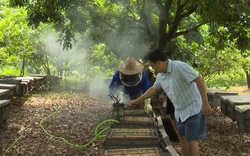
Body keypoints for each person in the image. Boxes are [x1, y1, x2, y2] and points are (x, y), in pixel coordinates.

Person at [130, 49, 211, 156]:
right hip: (180, 111)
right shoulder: (161, 75)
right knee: (183, 138)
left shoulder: (179, 67)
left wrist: (205, 103)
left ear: (158, 62)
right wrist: (137, 100)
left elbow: (199, 80)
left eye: (152, 65)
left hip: (193, 107)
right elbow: (153, 89)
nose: (152, 68)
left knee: (192, 140)